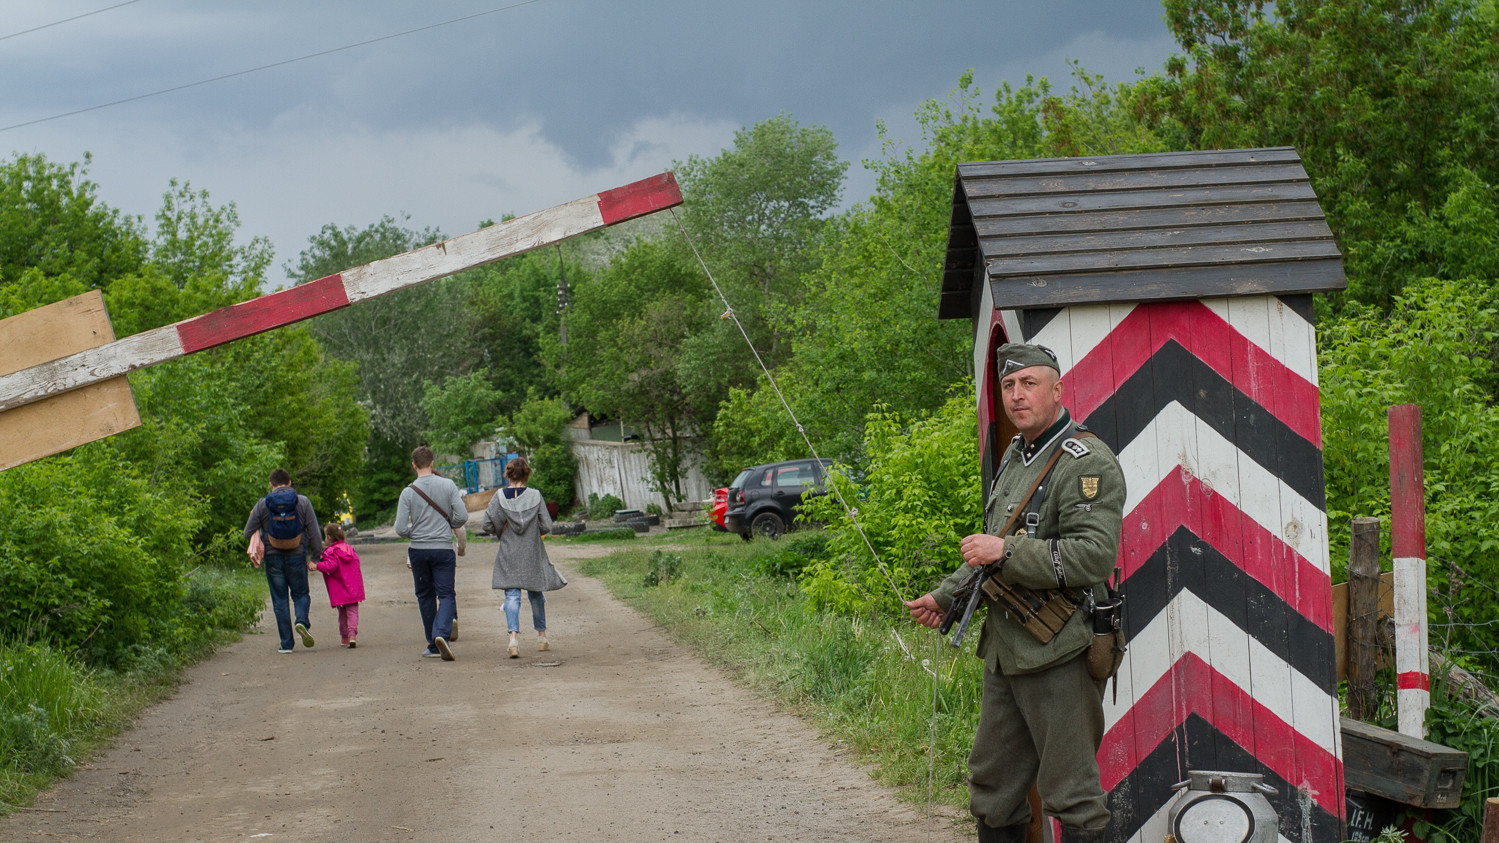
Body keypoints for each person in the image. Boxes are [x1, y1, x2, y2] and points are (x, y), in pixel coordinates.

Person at [905, 343, 1125, 843]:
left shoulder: (1086, 462)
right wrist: (945, 596)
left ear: (1057, 389)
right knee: (994, 788)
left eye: (1029, 383)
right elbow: (993, 548)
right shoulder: (1016, 454)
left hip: (1060, 650)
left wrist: (1004, 551)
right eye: (1009, 385)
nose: (1017, 395)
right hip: (1006, 650)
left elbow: (1092, 557)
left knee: (1072, 797)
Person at [482, 457, 566, 658]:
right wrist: (532, 531)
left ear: (508, 474)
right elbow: (546, 525)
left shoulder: (499, 497)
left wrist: (502, 529)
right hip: (532, 552)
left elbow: (486, 524)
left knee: (512, 595)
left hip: (509, 553)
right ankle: (542, 637)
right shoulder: (535, 496)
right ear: (526, 474)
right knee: (536, 593)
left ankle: (513, 640)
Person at [395, 445, 469, 661]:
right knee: (446, 594)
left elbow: (400, 529)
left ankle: (433, 645)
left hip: (418, 550)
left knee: (425, 595)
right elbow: (462, 516)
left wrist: (415, 533)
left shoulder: (408, 492)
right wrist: (448, 524)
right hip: (443, 548)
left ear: (413, 465)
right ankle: (441, 634)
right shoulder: (448, 485)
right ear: (432, 463)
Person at [243, 468, 323, 654]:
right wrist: (315, 556)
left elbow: (248, 532)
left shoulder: (262, 504)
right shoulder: (302, 501)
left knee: (280, 600)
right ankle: (301, 621)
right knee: (301, 593)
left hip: (273, 558)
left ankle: (286, 644)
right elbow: (314, 532)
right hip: (297, 554)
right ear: (290, 483)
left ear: (271, 485)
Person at [313, 522, 366, 648]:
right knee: (352, 612)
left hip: (340, 588)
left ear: (329, 538)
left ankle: (344, 637)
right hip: (353, 588)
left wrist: (317, 565)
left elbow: (331, 566)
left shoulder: (331, 551)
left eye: (326, 536)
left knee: (342, 614)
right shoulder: (349, 549)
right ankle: (352, 635)